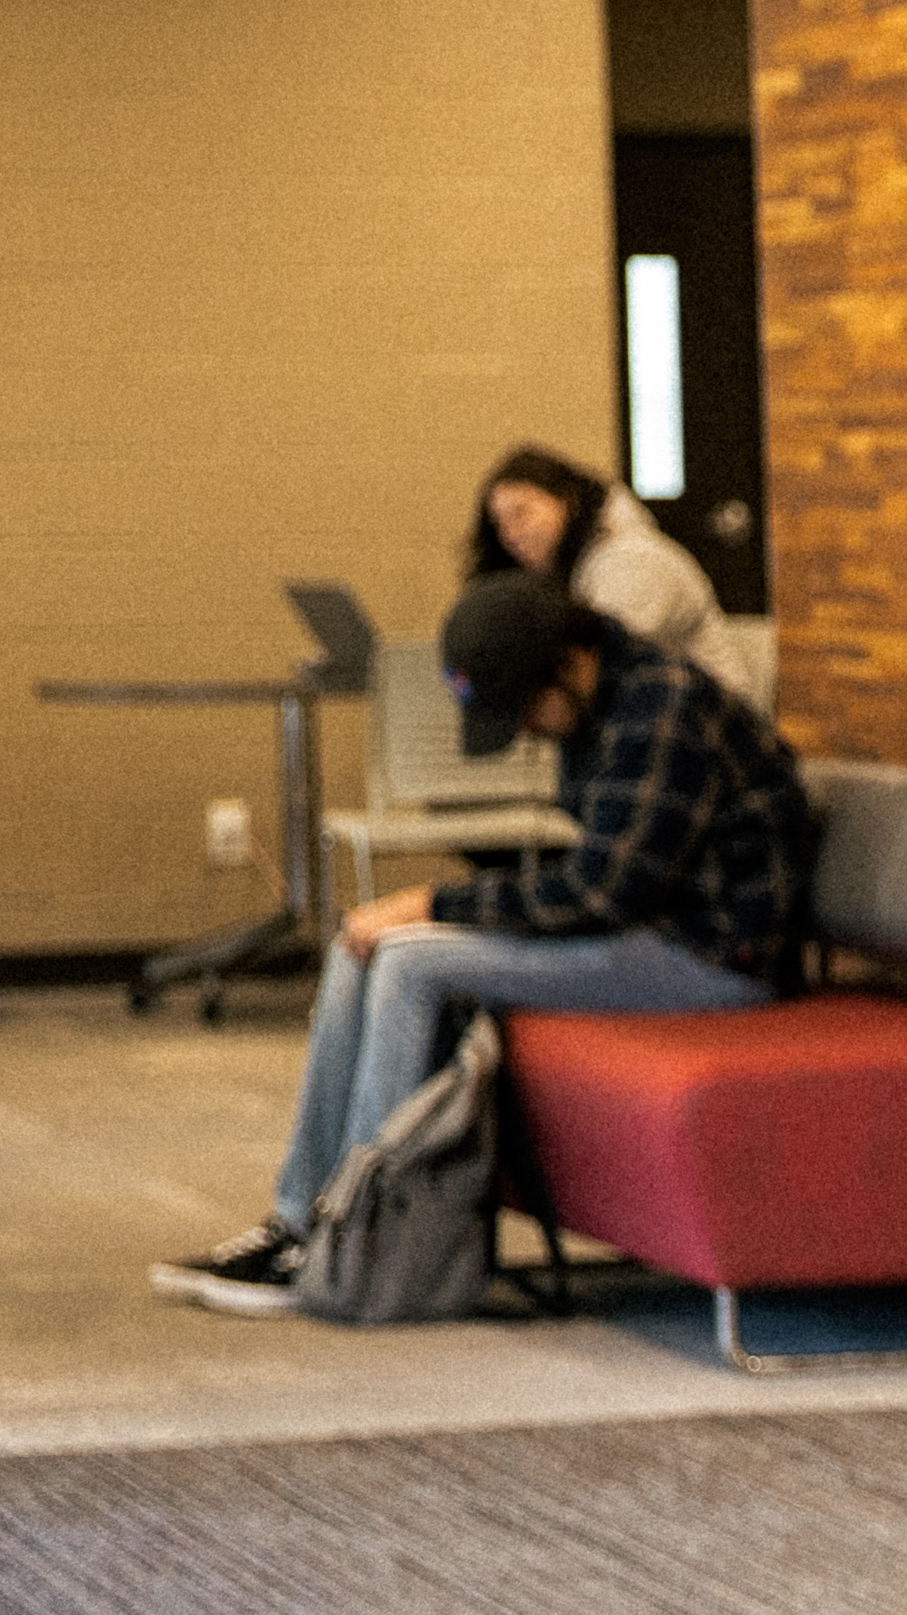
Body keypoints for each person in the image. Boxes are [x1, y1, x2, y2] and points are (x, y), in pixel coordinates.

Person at [155, 571, 812, 1315]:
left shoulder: (661, 709)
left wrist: (434, 902)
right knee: (360, 941)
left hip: (715, 962)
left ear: (569, 661)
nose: (525, 729)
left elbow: (601, 895)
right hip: (646, 936)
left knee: (410, 959)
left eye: (523, 705)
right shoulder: (599, 702)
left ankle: (358, 1238)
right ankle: (300, 1219)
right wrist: (423, 909)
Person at [463, 440, 723, 673]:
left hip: (701, 717)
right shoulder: (580, 567)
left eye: (521, 513)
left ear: (568, 500)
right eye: (499, 523)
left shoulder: (631, 561)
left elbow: (603, 667)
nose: (510, 533)